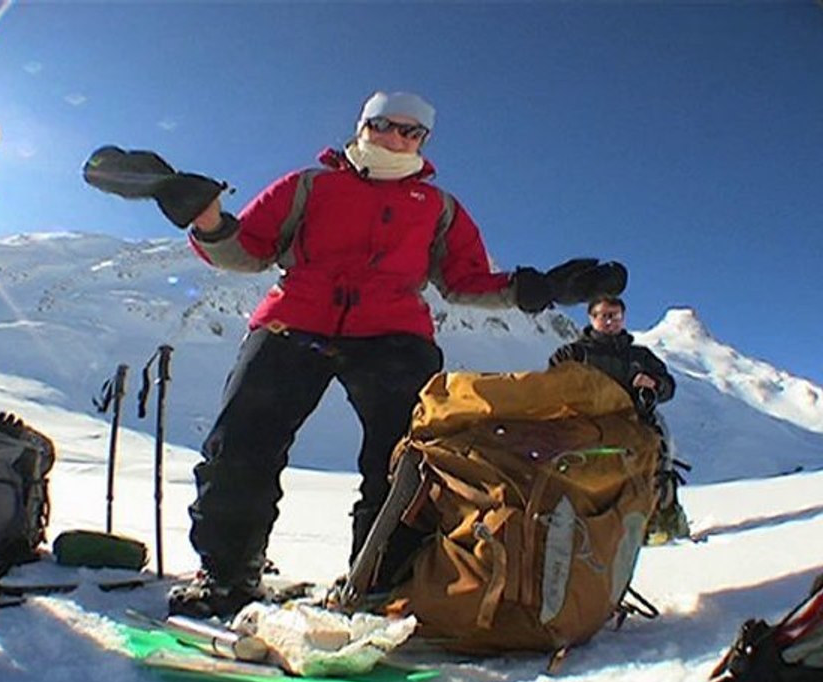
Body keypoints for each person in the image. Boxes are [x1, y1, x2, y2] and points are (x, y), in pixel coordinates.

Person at [91, 91, 625, 618]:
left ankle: (379, 586)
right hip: (293, 321)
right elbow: (247, 250)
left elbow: (464, 281)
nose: (395, 137)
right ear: (362, 125)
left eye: (410, 131)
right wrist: (205, 218)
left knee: (404, 462)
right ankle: (228, 576)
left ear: (423, 140)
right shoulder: (307, 185)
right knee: (240, 446)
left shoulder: (439, 207)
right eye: (383, 125)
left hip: (394, 334)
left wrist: (539, 288)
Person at [548, 295, 690, 542]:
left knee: (654, 468)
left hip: (637, 425)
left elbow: (668, 387)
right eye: (604, 315)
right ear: (591, 318)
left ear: (623, 318)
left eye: (615, 316)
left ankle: (660, 521)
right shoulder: (572, 354)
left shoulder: (640, 356)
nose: (610, 321)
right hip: (586, 426)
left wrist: (654, 384)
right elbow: (550, 386)